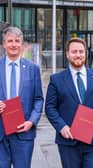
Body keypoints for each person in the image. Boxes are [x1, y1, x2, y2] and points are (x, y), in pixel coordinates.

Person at [45, 37, 93, 168]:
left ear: (86, 54)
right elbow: (50, 108)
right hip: (68, 140)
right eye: (74, 51)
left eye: (81, 51)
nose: (78, 55)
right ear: (67, 54)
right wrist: (61, 127)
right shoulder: (56, 79)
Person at [0, 26, 43, 168]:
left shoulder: (33, 68)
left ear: (22, 45)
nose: (13, 44)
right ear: (4, 44)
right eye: (10, 41)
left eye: (17, 41)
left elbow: (38, 99)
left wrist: (31, 121)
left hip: (24, 132)